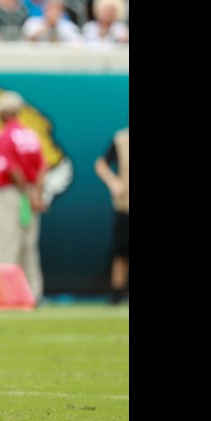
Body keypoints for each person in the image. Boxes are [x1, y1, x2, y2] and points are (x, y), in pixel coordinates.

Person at [0, 90, 48, 301]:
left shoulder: (5, 135)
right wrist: (36, 194)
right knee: (28, 246)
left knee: (9, 244)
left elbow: (13, 170)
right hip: (29, 193)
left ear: (7, 111)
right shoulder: (30, 134)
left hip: (11, 194)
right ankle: (32, 293)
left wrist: (28, 194)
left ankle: (8, 295)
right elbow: (42, 167)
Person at [94, 126, 129, 305]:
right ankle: (117, 291)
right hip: (125, 205)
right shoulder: (121, 139)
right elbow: (101, 164)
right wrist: (114, 182)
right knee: (121, 251)